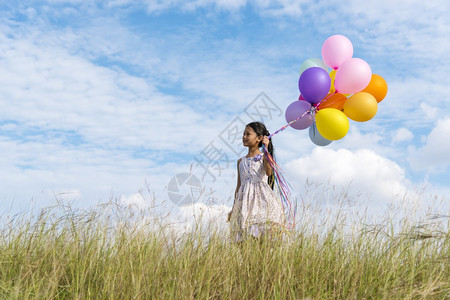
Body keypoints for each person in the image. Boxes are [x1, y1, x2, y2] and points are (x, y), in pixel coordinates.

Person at [227, 121, 286, 244]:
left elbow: (269, 173)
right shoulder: (240, 161)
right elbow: (239, 187)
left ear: (259, 138)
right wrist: (234, 208)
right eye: (243, 134)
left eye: (247, 134)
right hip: (245, 204)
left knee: (262, 239)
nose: (244, 137)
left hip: (262, 201)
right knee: (244, 241)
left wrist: (266, 151)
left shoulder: (264, 157)